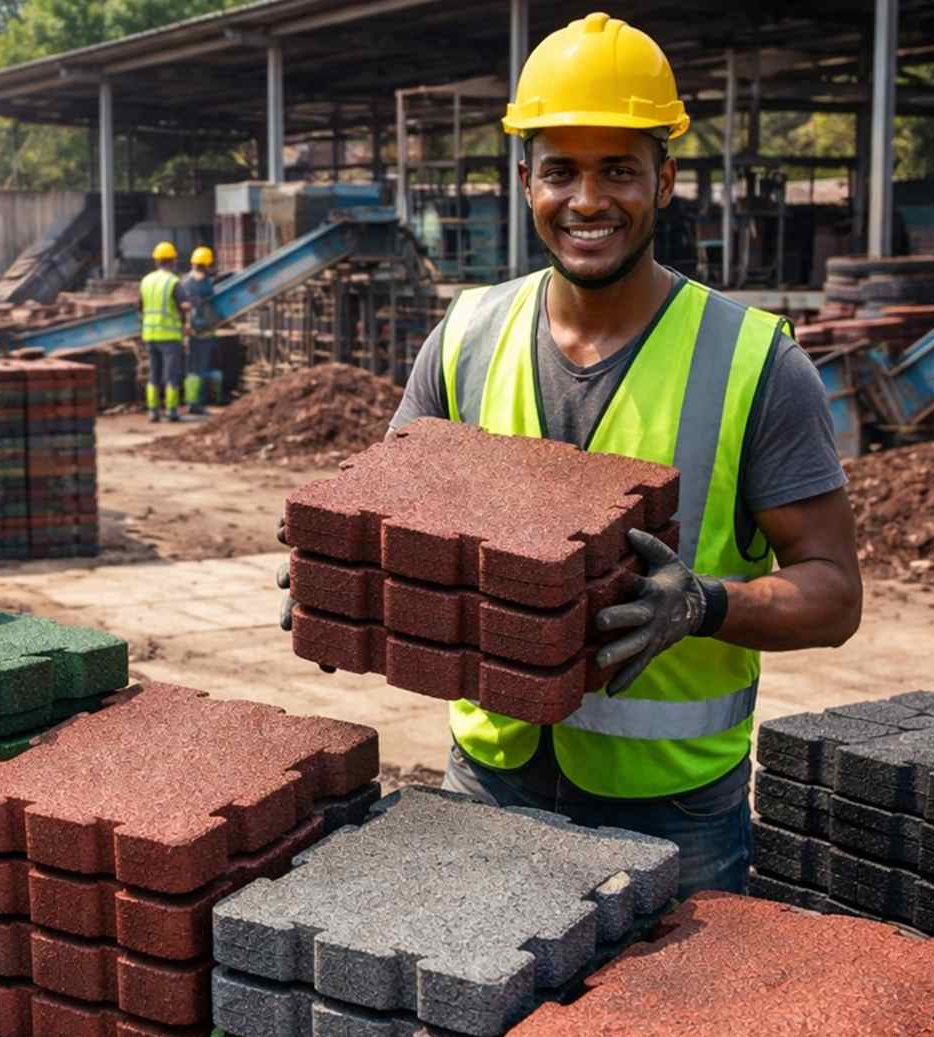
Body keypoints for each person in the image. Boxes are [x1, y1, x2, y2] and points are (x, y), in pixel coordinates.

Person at [317, 13, 861, 898]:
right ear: (525, 179)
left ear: (667, 179)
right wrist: (345, 583)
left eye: (619, 169)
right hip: (488, 781)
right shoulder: (465, 336)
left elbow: (835, 594)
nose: (588, 201)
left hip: (675, 817)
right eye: (561, 170)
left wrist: (705, 604)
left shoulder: (756, 363)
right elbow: (393, 518)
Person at [140, 242, 189, 422]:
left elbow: (139, 306)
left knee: (154, 373)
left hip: (150, 334)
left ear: (156, 261)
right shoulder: (173, 282)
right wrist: (191, 306)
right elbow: (183, 305)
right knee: (171, 374)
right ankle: (171, 410)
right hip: (169, 335)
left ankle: (153, 411)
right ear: (173, 261)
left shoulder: (146, 280)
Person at [179, 246, 218, 415]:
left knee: (190, 369)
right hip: (203, 332)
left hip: (187, 332)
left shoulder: (183, 281)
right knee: (200, 369)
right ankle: (196, 403)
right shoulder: (205, 284)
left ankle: (190, 400)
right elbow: (212, 307)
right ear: (206, 264)